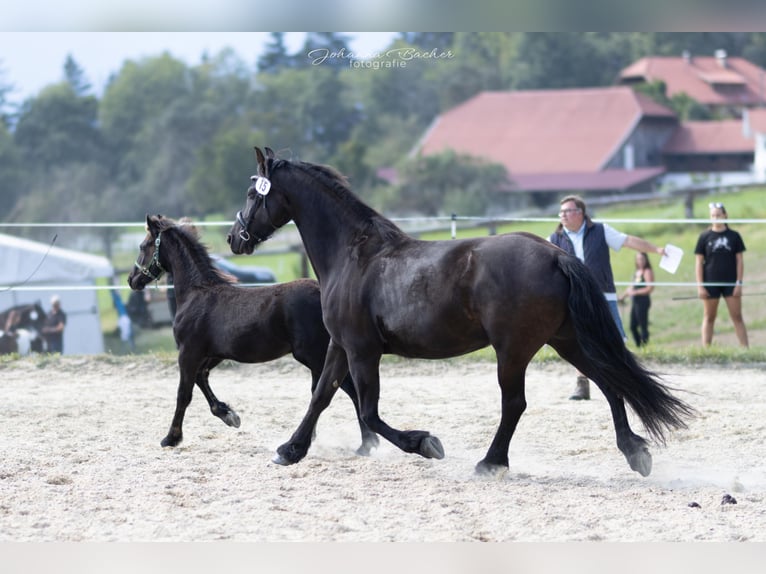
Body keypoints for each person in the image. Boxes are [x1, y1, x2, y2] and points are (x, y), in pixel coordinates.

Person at [549, 195, 666, 400]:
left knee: (616, 340)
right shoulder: (554, 240)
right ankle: (582, 385)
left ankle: (627, 381)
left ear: (580, 213)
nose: (562, 216)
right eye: (561, 212)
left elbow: (628, 241)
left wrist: (656, 250)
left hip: (604, 294)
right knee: (580, 341)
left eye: (567, 211)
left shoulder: (601, 231)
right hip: (575, 299)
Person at [694, 202, 748, 348]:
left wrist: (739, 283)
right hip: (710, 283)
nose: (716, 218)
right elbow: (698, 262)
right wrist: (700, 286)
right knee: (709, 317)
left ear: (725, 215)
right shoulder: (704, 237)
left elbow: (739, 261)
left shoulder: (734, 236)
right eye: (713, 215)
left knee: (737, 316)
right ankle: (706, 350)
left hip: (731, 283)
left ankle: (745, 349)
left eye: (718, 215)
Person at [620, 252, 654, 347]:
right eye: (638, 259)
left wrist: (636, 292)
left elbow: (650, 288)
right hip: (635, 301)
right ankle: (639, 346)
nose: (640, 261)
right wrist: (622, 296)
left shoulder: (647, 271)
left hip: (643, 301)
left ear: (646, 260)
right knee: (633, 326)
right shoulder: (637, 272)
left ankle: (645, 347)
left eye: (642, 259)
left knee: (643, 326)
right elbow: (631, 287)